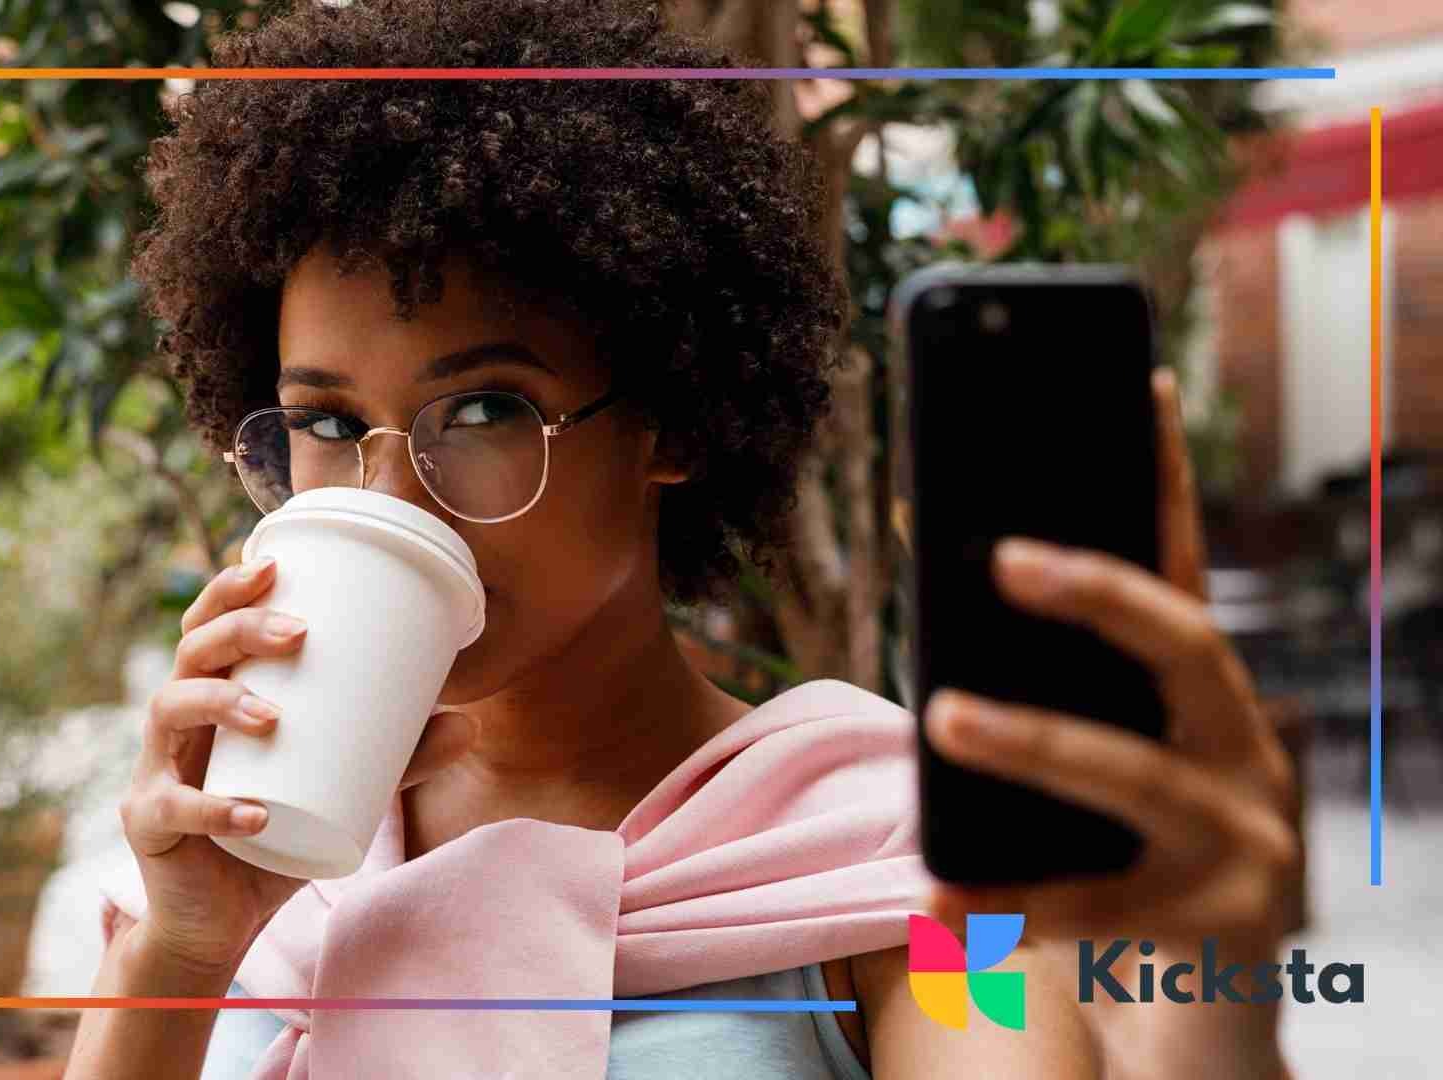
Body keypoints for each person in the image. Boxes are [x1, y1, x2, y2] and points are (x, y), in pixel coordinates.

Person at [64, 2, 1302, 1077]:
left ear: (670, 421)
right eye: (328, 421)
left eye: (485, 407)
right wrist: (178, 954)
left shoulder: (878, 848)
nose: (391, 493)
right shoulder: (247, 867)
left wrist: (1206, 1021)